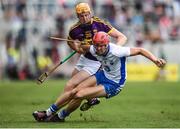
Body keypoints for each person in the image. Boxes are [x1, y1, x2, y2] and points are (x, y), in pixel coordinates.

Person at [33, 32, 166, 122]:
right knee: (73, 90)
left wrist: (155, 60)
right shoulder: (93, 48)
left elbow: (140, 50)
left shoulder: (116, 50)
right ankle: (48, 113)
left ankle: (61, 116)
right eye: (97, 46)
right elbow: (82, 48)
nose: (100, 49)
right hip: (102, 74)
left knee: (79, 94)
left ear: (107, 43)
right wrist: (77, 43)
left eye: (103, 46)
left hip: (114, 84)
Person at [32, 2, 127, 121]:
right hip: (84, 59)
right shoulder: (74, 29)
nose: (85, 18)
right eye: (81, 16)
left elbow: (122, 37)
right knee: (75, 91)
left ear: (90, 13)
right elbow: (69, 41)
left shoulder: (100, 24)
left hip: (96, 62)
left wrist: (114, 51)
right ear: (78, 16)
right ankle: (84, 103)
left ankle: (49, 113)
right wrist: (78, 49)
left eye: (86, 15)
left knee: (70, 86)